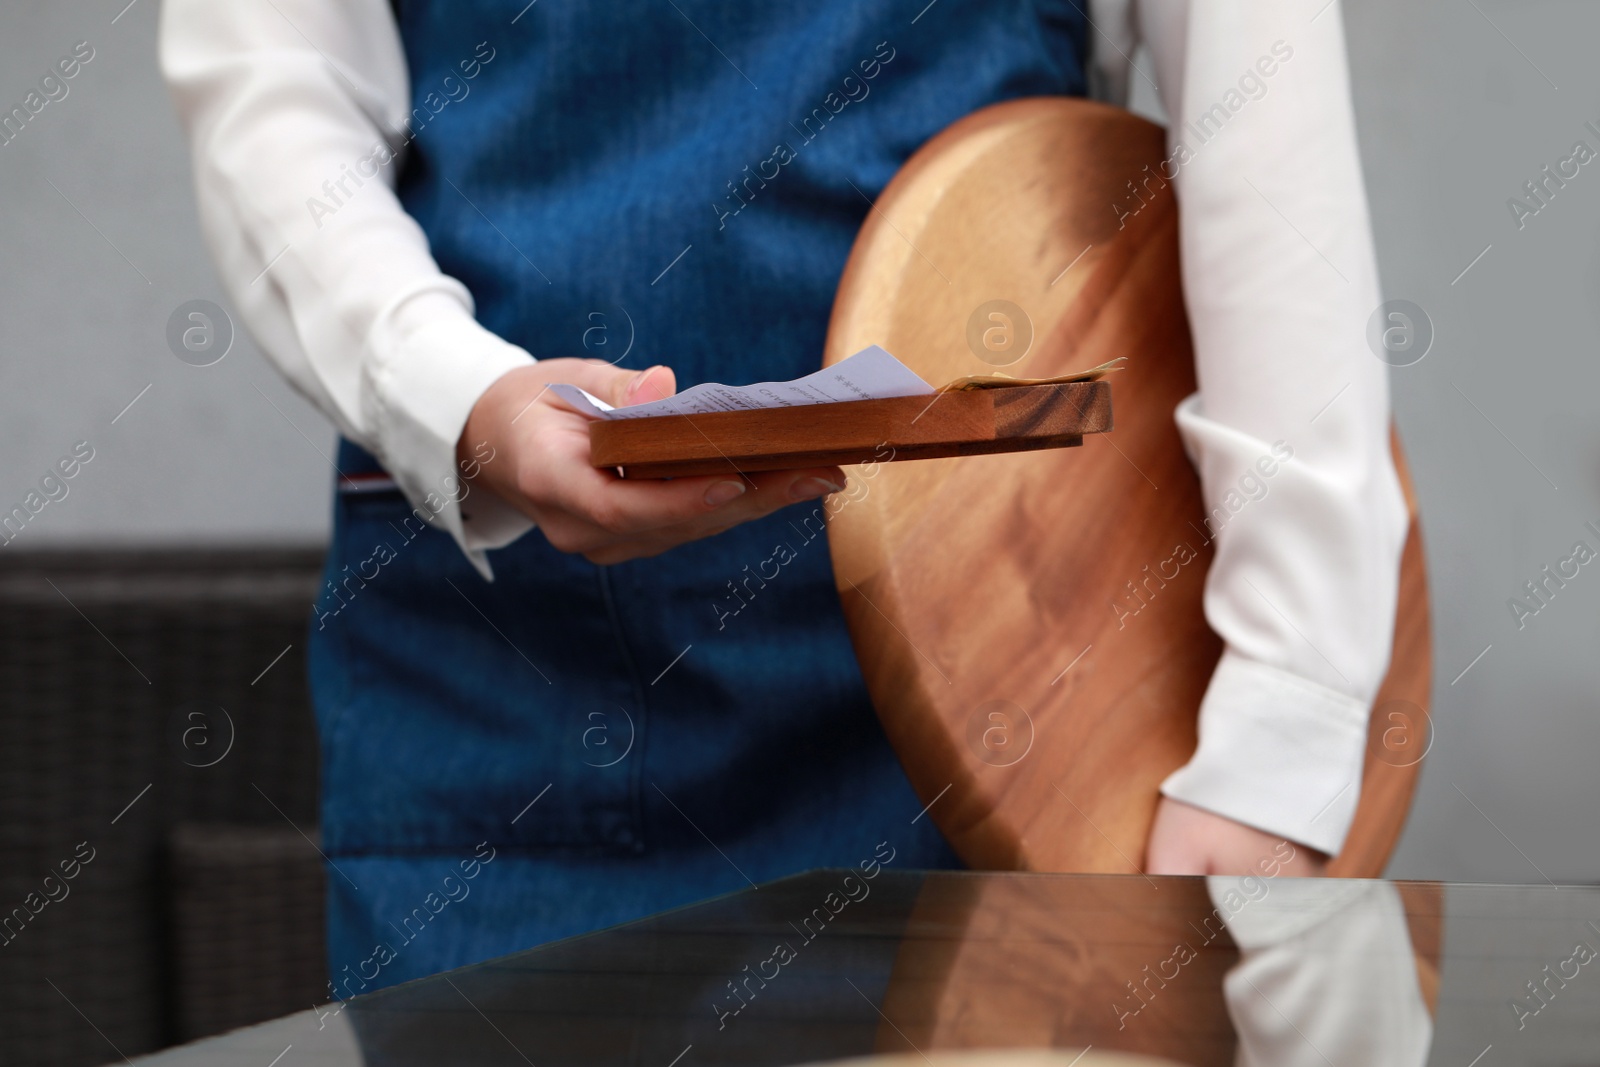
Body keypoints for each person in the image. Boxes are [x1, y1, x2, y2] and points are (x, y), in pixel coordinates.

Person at [161, 0, 1406, 995]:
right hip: (517, 692)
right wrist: (457, 401)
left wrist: (1281, 720)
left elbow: (1259, 123)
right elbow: (275, 94)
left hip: (1022, 662)